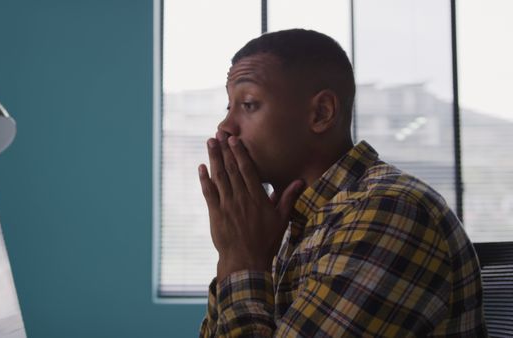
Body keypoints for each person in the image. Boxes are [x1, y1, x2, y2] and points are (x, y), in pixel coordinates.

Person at [197, 29, 486, 337]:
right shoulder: (283, 227)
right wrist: (236, 253)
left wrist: (241, 260)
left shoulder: (390, 212)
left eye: (249, 103)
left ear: (321, 113)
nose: (225, 126)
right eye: (229, 107)